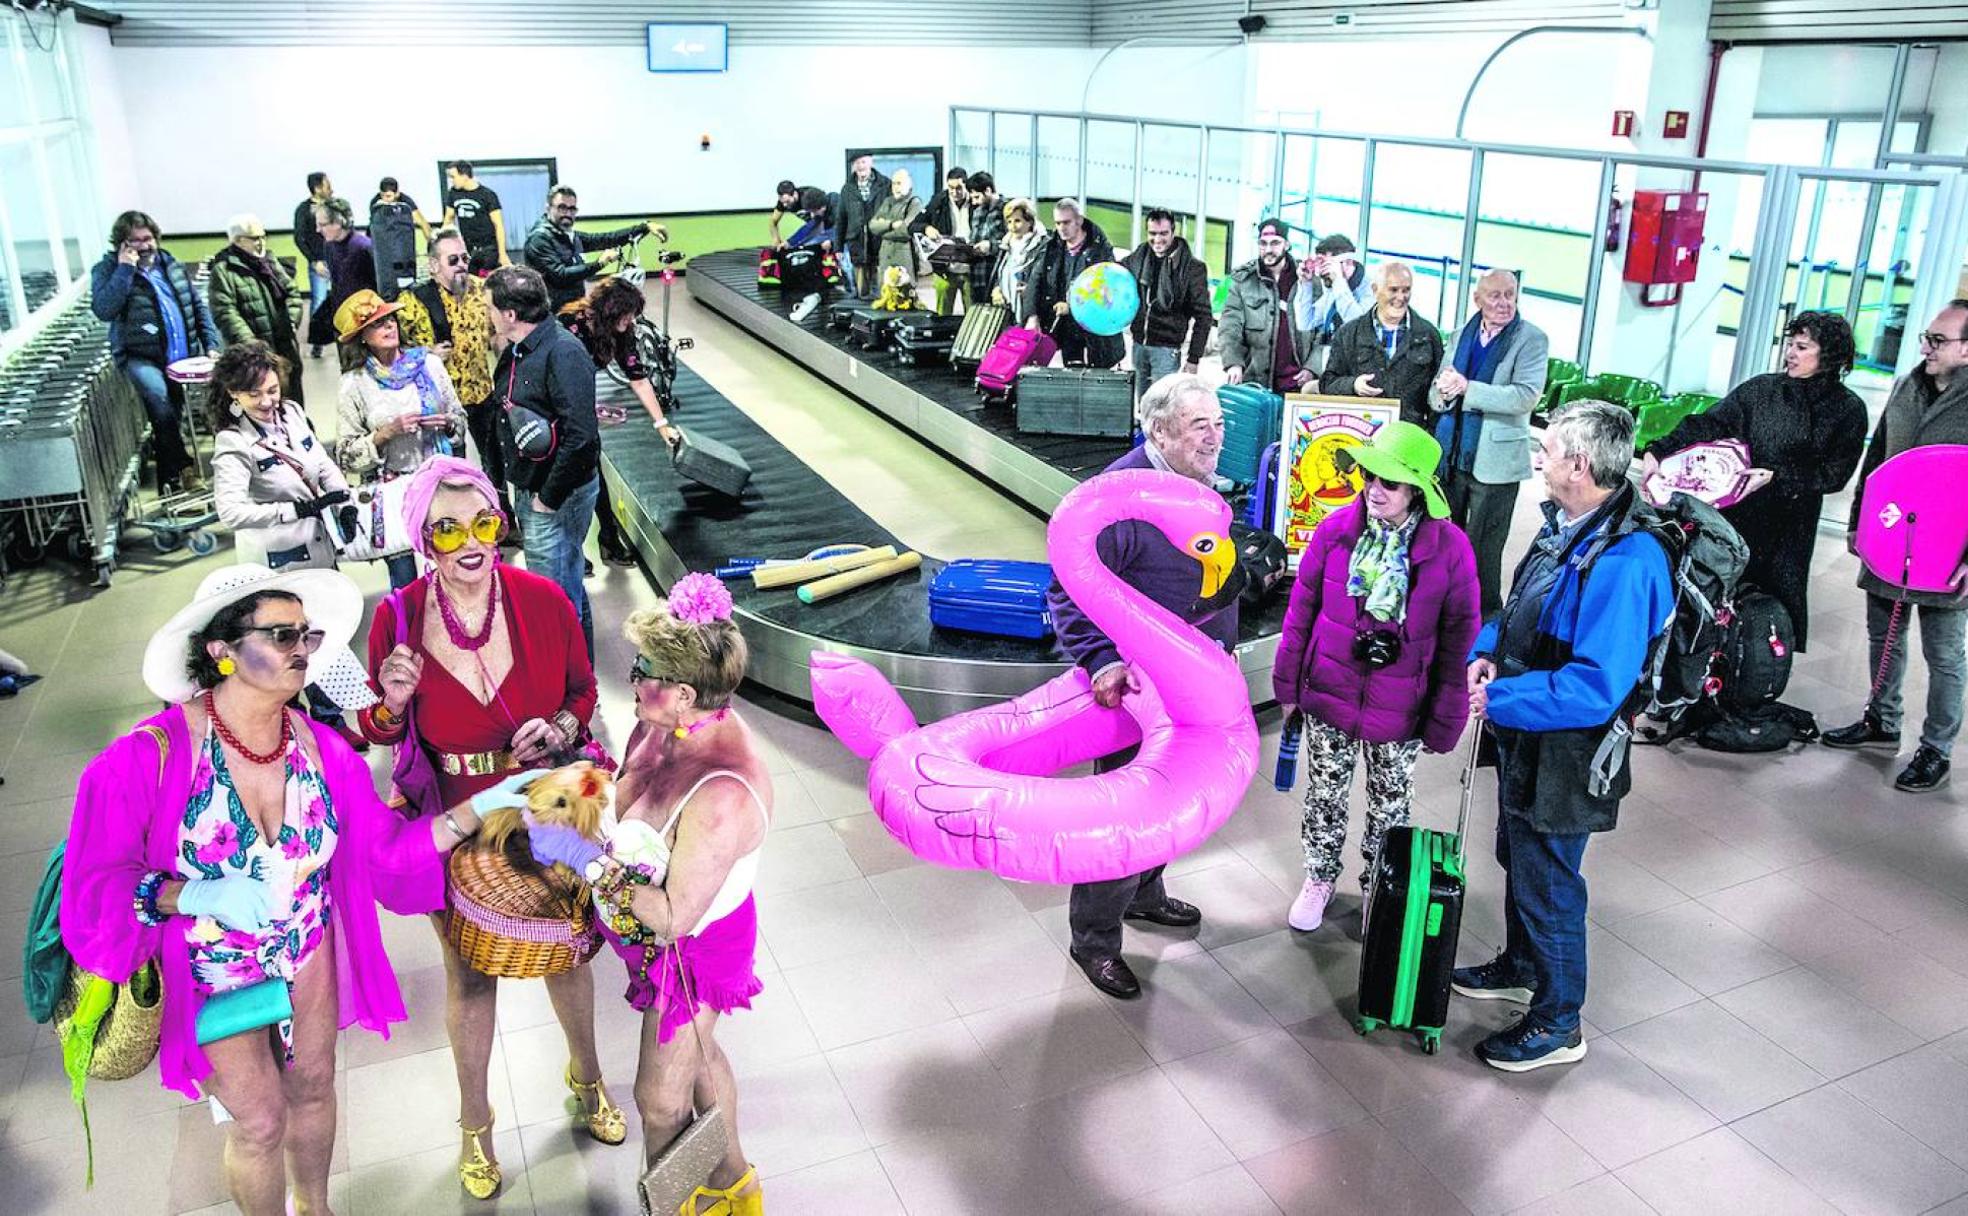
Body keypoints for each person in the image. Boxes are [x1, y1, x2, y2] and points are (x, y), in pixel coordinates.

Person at [61, 561, 502, 1215]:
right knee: (261, 1120)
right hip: (210, 964)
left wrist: (478, 812)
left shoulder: (323, 748)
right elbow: (93, 888)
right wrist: (193, 895)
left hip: (304, 946)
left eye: (307, 636)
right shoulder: (148, 756)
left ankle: (315, 1207)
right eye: (281, 636)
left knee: (315, 1088)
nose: (302, 650)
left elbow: (383, 849)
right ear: (222, 651)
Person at [359, 456, 623, 1199]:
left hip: (542, 806)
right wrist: (390, 702)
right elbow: (380, 732)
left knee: (569, 955)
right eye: (447, 529)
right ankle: (475, 1125)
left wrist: (564, 724)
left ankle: (588, 1076)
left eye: (481, 522)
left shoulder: (543, 599)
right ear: (424, 539)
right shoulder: (397, 618)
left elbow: (582, 690)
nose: (470, 542)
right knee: (470, 973)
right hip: (453, 812)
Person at [524, 573, 770, 1216]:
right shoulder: (666, 726)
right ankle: (738, 1188)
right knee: (701, 1058)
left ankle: (682, 1205)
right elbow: (623, 789)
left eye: (644, 668)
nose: (632, 677)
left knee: (660, 1099)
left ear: (683, 692)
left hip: (693, 949)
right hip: (659, 937)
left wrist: (584, 857)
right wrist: (572, 771)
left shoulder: (721, 795)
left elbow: (668, 917)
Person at [1454, 400, 1673, 1072]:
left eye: (1547, 451)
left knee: (1550, 883)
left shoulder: (1627, 560)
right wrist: (1490, 648)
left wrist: (1501, 696)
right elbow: (1522, 603)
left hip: (1569, 751)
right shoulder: (1571, 527)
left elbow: (1593, 687)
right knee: (1517, 857)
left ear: (1578, 465)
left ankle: (1557, 1023)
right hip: (1530, 733)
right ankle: (1522, 966)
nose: (1538, 460)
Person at [1046, 374, 1233, 999]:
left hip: (1193, 688)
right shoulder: (1116, 502)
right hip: (1136, 694)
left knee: (1171, 799)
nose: (1215, 437)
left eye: (1218, 422)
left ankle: (1144, 894)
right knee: (1127, 814)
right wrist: (1101, 662)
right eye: (1198, 426)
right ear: (1157, 431)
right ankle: (1093, 940)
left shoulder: (1198, 487)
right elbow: (1066, 594)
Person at [1271, 421, 1480, 931]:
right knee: (1325, 794)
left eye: (1388, 482)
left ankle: (1378, 887)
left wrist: (1445, 720)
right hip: (1329, 692)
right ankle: (1319, 877)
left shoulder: (1450, 550)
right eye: (1369, 476)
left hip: (1401, 706)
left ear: (1417, 490)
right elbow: (1301, 612)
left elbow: (1459, 643)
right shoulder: (1335, 530)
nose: (1373, 489)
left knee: (1391, 804)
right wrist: (1287, 684)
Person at [1641, 310, 1864, 653]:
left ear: (1829, 355)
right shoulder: (1763, 389)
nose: (1791, 352)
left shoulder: (1848, 409)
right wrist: (1659, 450)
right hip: (1737, 511)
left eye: (1802, 347)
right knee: (1715, 595)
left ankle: (1753, 675)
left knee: (1767, 609)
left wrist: (1777, 476)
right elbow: (1709, 423)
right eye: (1790, 343)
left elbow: (1834, 475)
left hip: (1789, 524)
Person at [1823, 299, 1968, 792]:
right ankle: (1881, 721)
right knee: (1882, 633)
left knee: (1944, 654)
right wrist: (1858, 521)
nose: (1925, 347)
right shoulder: (1908, 384)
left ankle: (1936, 749)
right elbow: (1879, 455)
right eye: (1927, 337)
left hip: (1949, 549)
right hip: (1892, 532)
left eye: (1938, 340)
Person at [208, 341, 365, 749]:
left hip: (319, 548)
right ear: (234, 395)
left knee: (324, 635)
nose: (267, 401)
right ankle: (291, 726)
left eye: (272, 389)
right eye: (255, 394)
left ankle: (330, 721)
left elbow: (321, 462)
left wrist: (341, 497)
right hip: (278, 563)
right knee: (285, 643)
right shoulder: (233, 443)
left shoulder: (292, 414)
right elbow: (231, 512)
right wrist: (292, 510)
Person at [488, 265, 602, 659]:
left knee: (554, 602)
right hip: (536, 489)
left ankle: (569, 695)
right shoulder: (521, 349)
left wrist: (546, 500)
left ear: (510, 315)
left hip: (556, 497)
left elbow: (582, 437)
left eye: (490, 307)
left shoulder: (563, 353)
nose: (486, 314)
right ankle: (579, 679)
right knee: (565, 584)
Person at [1429, 270, 1550, 617]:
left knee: (1484, 550)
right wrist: (1443, 394)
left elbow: (1525, 397)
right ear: (1477, 300)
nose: (1504, 303)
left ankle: (1485, 622)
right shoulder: (1458, 336)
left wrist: (1467, 388)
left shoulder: (1531, 339)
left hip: (1496, 463)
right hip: (1451, 457)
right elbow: (1440, 386)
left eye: (1510, 294)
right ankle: (1444, 611)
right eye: (1495, 296)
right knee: (1444, 540)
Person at [331, 290, 467, 588]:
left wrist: (447, 424)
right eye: (378, 324)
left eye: (390, 319)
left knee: (450, 568)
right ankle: (412, 631)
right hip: (393, 496)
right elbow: (345, 455)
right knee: (406, 581)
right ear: (362, 337)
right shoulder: (354, 384)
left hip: (438, 487)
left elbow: (459, 420)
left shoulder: (429, 364)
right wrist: (383, 435)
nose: (389, 326)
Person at [90, 210, 223, 495]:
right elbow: (104, 309)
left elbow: (195, 306)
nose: (143, 245)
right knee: (160, 404)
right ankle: (186, 468)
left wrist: (211, 344)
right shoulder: (108, 270)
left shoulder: (169, 263)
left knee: (169, 417)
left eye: (147, 238)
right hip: (139, 357)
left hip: (179, 355)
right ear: (122, 244)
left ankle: (169, 481)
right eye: (134, 241)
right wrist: (125, 269)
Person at [559, 278, 679, 568]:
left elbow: (638, 378)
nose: (629, 322)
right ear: (608, 312)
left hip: (583, 406)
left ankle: (609, 540)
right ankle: (572, 552)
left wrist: (661, 423)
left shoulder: (622, 332)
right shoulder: (569, 326)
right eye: (625, 316)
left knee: (594, 475)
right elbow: (555, 377)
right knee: (564, 483)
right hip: (557, 409)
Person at [398, 229, 507, 522]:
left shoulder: (482, 291)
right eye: (453, 259)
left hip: (482, 391)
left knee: (495, 460)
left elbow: (497, 336)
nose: (462, 264)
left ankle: (502, 520)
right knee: (454, 468)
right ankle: (460, 521)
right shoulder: (414, 301)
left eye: (465, 258)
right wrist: (426, 353)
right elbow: (394, 350)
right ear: (434, 265)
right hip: (443, 403)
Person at [1322, 261, 1444, 426]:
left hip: (1408, 439)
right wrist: (1353, 385)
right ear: (1375, 290)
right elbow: (1327, 383)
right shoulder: (1348, 333)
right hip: (1361, 437)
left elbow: (1438, 393)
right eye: (1393, 290)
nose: (1400, 297)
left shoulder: (1428, 335)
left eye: (1406, 290)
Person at [208, 214, 305, 404]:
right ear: (237, 240)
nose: (260, 243)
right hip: (253, 357)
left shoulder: (269, 261)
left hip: (285, 347)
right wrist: (255, 348)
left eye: (263, 237)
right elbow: (225, 313)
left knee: (292, 400)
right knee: (265, 402)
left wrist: (292, 320)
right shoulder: (223, 270)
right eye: (254, 238)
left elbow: (292, 292)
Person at [522, 184, 665, 312]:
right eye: (562, 207)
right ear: (548, 208)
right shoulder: (539, 239)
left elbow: (605, 239)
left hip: (572, 307)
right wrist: (599, 263)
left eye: (572, 209)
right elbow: (560, 275)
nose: (567, 213)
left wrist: (644, 227)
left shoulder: (568, 235)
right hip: (550, 315)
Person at [1119, 208, 1213, 400]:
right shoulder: (1138, 258)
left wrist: (1194, 359)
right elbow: (1113, 272)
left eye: (1163, 233)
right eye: (1152, 233)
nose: (1157, 239)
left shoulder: (1192, 268)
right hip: (1138, 345)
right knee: (1142, 406)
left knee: (1162, 407)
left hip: (1167, 350)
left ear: (1173, 231)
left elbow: (1204, 317)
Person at [1024, 198, 1122, 368]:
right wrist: (1032, 316)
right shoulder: (1051, 248)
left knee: (1096, 382)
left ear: (1080, 221)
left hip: (1095, 334)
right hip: (1065, 331)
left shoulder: (1101, 251)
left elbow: (1103, 290)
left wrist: (1072, 305)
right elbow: (1036, 280)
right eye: (1058, 223)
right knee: (1070, 378)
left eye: (1066, 222)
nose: (1062, 228)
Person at [1220, 217, 1315, 394]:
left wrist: (1312, 368)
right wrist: (1233, 362)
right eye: (1263, 243)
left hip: (1297, 382)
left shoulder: (1307, 281)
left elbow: (1321, 332)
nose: (1268, 250)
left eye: (1275, 243)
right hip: (1254, 380)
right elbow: (1229, 325)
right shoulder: (1243, 281)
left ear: (1286, 245)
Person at [1292, 233, 1376, 372]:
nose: (1320, 273)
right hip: (1333, 371)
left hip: (1360, 373)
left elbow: (1356, 325)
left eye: (1326, 265)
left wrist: (1338, 281)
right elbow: (1305, 322)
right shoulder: (1333, 290)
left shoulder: (1372, 291)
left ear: (1348, 262)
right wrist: (1305, 284)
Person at [305, 198, 376, 353]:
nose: (318, 230)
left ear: (339, 222)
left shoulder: (364, 247)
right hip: (343, 322)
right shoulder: (329, 246)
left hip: (366, 321)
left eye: (322, 224)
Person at [908, 165, 973, 314]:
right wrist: (926, 228)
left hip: (970, 268)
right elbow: (913, 225)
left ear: (966, 186)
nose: (954, 192)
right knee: (943, 313)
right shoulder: (939, 201)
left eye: (958, 188)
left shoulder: (975, 202)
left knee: (972, 314)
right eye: (951, 188)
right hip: (945, 269)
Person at [293, 171, 334, 357]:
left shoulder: (333, 207)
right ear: (317, 188)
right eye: (327, 184)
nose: (330, 188)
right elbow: (300, 238)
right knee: (318, 301)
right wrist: (313, 260)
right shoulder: (304, 210)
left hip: (338, 259)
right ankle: (317, 342)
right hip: (319, 262)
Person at [838, 154, 889, 299]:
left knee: (882, 288)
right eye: (857, 163)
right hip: (857, 244)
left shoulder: (886, 184)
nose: (860, 166)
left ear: (871, 163)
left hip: (880, 242)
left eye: (863, 161)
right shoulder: (847, 189)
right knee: (862, 291)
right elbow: (841, 218)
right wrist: (838, 247)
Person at [443, 161, 508, 274]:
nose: (451, 181)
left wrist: (502, 254)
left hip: (488, 249)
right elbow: (448, 219)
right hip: (466, 249)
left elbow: (499, 225)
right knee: (469, 284)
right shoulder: (453, 193)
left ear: (464, 175)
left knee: (486, 283)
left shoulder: (487, 195)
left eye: (453, 177)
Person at [866, 168, 923, 295]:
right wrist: (891, 225)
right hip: (885, 257)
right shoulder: (888, 201)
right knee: (885, 296)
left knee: (903, 295)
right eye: (893, 183)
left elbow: (906, 230)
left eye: (899, 183)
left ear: (908, 184)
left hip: (904, 257)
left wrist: (884, 230)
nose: (895, 187)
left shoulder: (914, 203)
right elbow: (872, 225)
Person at [990, 197, 1047, 320]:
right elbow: (1002, 272)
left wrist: (1031, 291)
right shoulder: (1006, 244)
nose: (1012, 227)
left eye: (1017, 221)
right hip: (1006, 310)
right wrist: (997, 289)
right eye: (1009, 221)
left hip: (1030, 311)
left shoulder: (1042, 245)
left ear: (1030, 221)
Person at [961, 172, 1006, 306]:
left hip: (997, 277)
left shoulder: (1006, 210)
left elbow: (1015, 244)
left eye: (977, 197)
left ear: (988, 190)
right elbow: (974, 238)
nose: (974, 202)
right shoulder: (977, 212)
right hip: (977, 277)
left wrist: (991, 247)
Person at [370, 176, 434, 245]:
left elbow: (422, 222)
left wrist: (432, 244)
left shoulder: (406, 202)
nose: (385, 199)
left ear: (397, 193)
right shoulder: (375, 202)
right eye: (382, 195)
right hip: (383, 234)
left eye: (388, 196)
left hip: (402, 234)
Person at [765, 178, 804, 246]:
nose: (784, 205)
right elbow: (773, 221)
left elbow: (816, 223)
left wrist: (791, 241)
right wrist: (776, 239)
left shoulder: (807, 197)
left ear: (794, 194)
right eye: (783, 202)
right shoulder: (783, 202)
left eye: (787, 202)